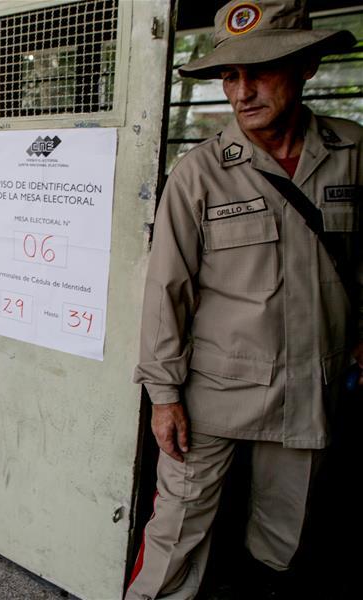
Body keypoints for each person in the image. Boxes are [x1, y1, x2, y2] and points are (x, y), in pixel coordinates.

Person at [127, 2, 361, 599]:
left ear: (306, 65)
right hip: (216, 391)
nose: (243, 90)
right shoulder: (200, 173)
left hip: (312, 384)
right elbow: (166, 291)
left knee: (286, 538)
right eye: (230, 75)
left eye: (261, 68)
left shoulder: (354, 152)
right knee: (175, 535)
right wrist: (164, 396)